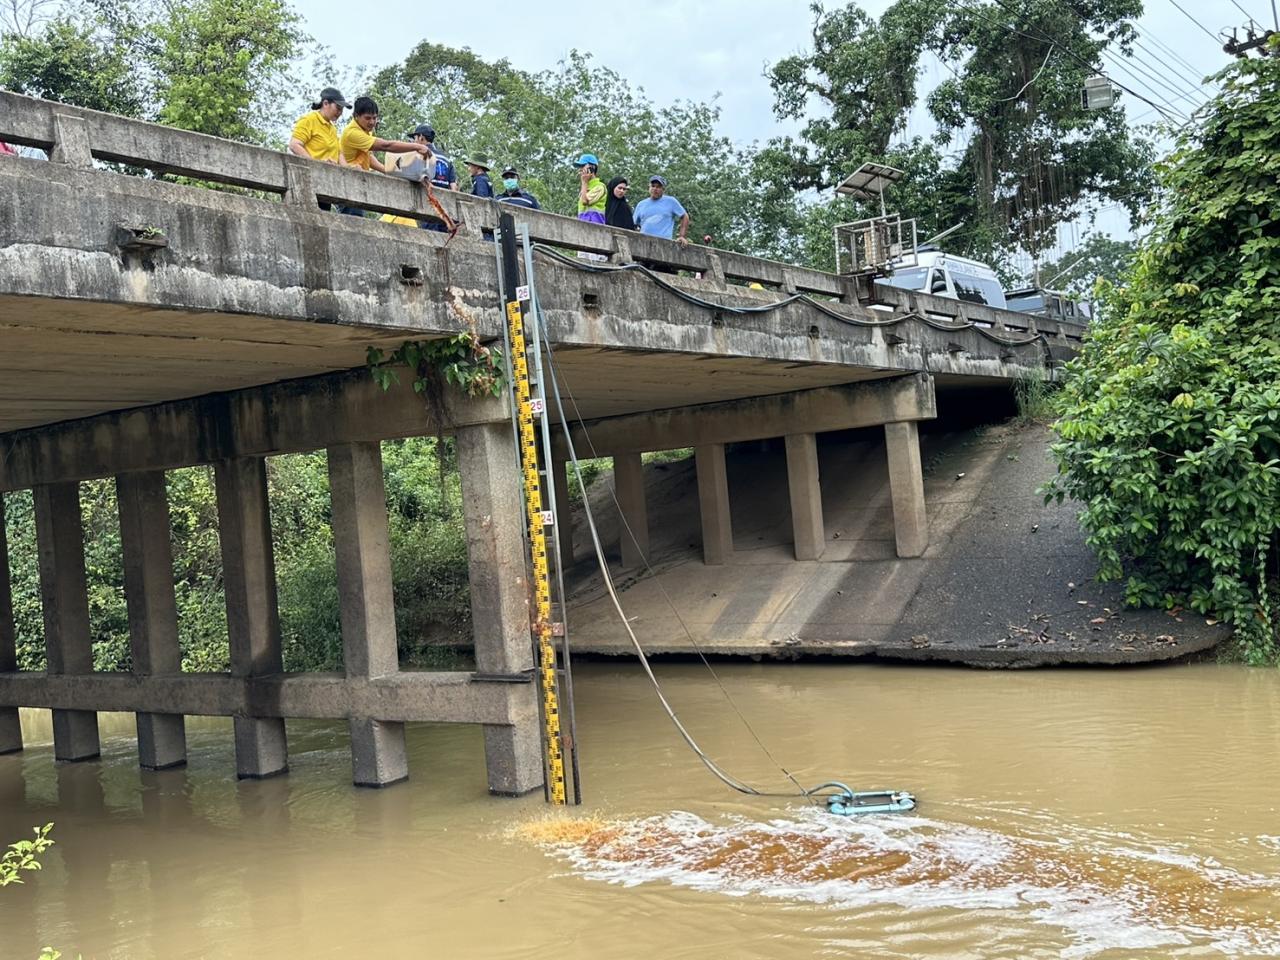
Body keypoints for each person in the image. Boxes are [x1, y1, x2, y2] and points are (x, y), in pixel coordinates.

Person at [337, 96, 431, 217]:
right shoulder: (353, 133)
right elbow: (386, 146)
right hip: (347, 184)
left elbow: (368, 157)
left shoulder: (365, 130)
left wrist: (389, 171)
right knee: (352, 221)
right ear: (356, 116)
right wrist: (416, 147)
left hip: (357, 183)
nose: (372, 122)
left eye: (374, 118)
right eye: (367, 118)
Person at [288, 87, 350, 166]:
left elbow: (339, 154)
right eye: (338, 108)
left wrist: (351, 169)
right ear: (325, 103)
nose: (340, 113)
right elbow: (294, 145)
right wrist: (316, 164)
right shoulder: (309, 120)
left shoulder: (333, 128)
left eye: (342, 110)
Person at [633, 175, 689, 244]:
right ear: (649, 187)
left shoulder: (671, 201)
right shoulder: (641, 204)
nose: (655, 189)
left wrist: (682, 236)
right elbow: (634, 225)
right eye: (653, 186)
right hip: (643, 242)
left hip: (664, 243)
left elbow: (684, 216)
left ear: (663, 189)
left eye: (658, 187)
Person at [573, 153, 606, 224]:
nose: (580, 169)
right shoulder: (586, 186)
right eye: (579, 167)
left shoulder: (599, 186)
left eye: (582, 166)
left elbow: (585, 201)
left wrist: (584, 182)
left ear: (592, 168)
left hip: (595, 225)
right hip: (583, 224)